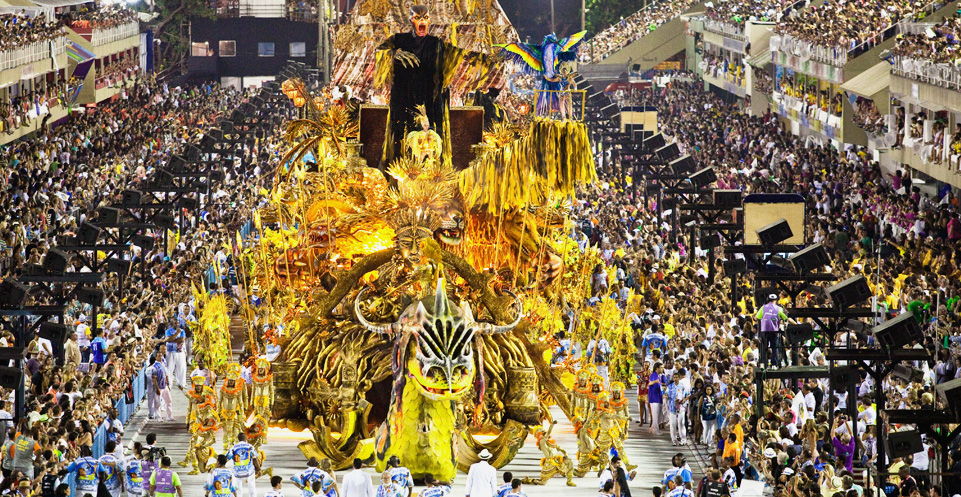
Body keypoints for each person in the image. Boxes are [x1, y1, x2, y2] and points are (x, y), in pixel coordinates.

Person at [754, 294, 789, 368]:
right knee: (774, 347)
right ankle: (774, 364)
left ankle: (763, 363)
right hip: (774, 331)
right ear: (776, 300)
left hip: (765, 330)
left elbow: (757, 317)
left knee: (764, 347)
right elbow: (785, 317)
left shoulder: (763, 307)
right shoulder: (778, 308)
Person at [164, 320, 187, 389]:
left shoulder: (182, 331)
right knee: (169, 368)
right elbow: (168, 339)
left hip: (180, 352)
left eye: (178, 323)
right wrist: (177, 334)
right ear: (172, 324)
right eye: (175, 323)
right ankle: (169, 384)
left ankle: (181, 383)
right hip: (170, 352)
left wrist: (172, 339)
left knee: (181, 367)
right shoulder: (168, 331)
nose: (177, 324)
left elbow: (182, 339)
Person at [151, 355, 174, 422]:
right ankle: (159, 417)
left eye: (161, 356)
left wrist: (168, 384)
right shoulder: (155, 366)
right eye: (158, 356)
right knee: (158, 403)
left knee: (169, 401)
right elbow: (154, 378)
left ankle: (169, 416)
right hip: (159, 387)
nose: (160, 357)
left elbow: (165, 375)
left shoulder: (163, 364)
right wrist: (157, 388)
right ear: (156, 357)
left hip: (165, 386)